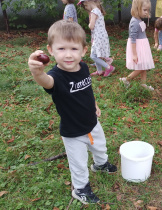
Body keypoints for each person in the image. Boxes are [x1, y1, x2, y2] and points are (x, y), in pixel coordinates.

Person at [28, 20, 117, 204]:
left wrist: (94, 105)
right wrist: (37, 73)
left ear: (84, 50)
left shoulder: (84, 67)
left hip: (92, 123)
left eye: (74, 49)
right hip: (72, 132)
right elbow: (47, 82)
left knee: (100, 146)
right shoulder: (56, 76)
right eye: (61, 49)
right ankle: (81, 188)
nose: (68, 55)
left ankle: (100, 164)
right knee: (78, 162)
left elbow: (87, 90)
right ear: (50, 50)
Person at [119, 0, 155, 91]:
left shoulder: (139, 19)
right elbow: (133, 39)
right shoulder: (134, 22)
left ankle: (143, 84)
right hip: (138, 47)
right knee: (142, 67)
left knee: (144, 66)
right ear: (137, 8)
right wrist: (134, 54)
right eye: (145, 10)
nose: (147, 12)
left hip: (143, 46)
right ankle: (126, 79)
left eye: (148, 10)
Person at [78, 0, 115, 77]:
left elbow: (91, 26)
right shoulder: (98, 10)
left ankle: (109, 67)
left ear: (88, 2)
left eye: (85, 6)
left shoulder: (94, 12)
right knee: (97, 55)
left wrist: (89, 23)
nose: (86, 8)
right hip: (100, 36)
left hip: (99, 37)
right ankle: (99, 71)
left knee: (93, 56)